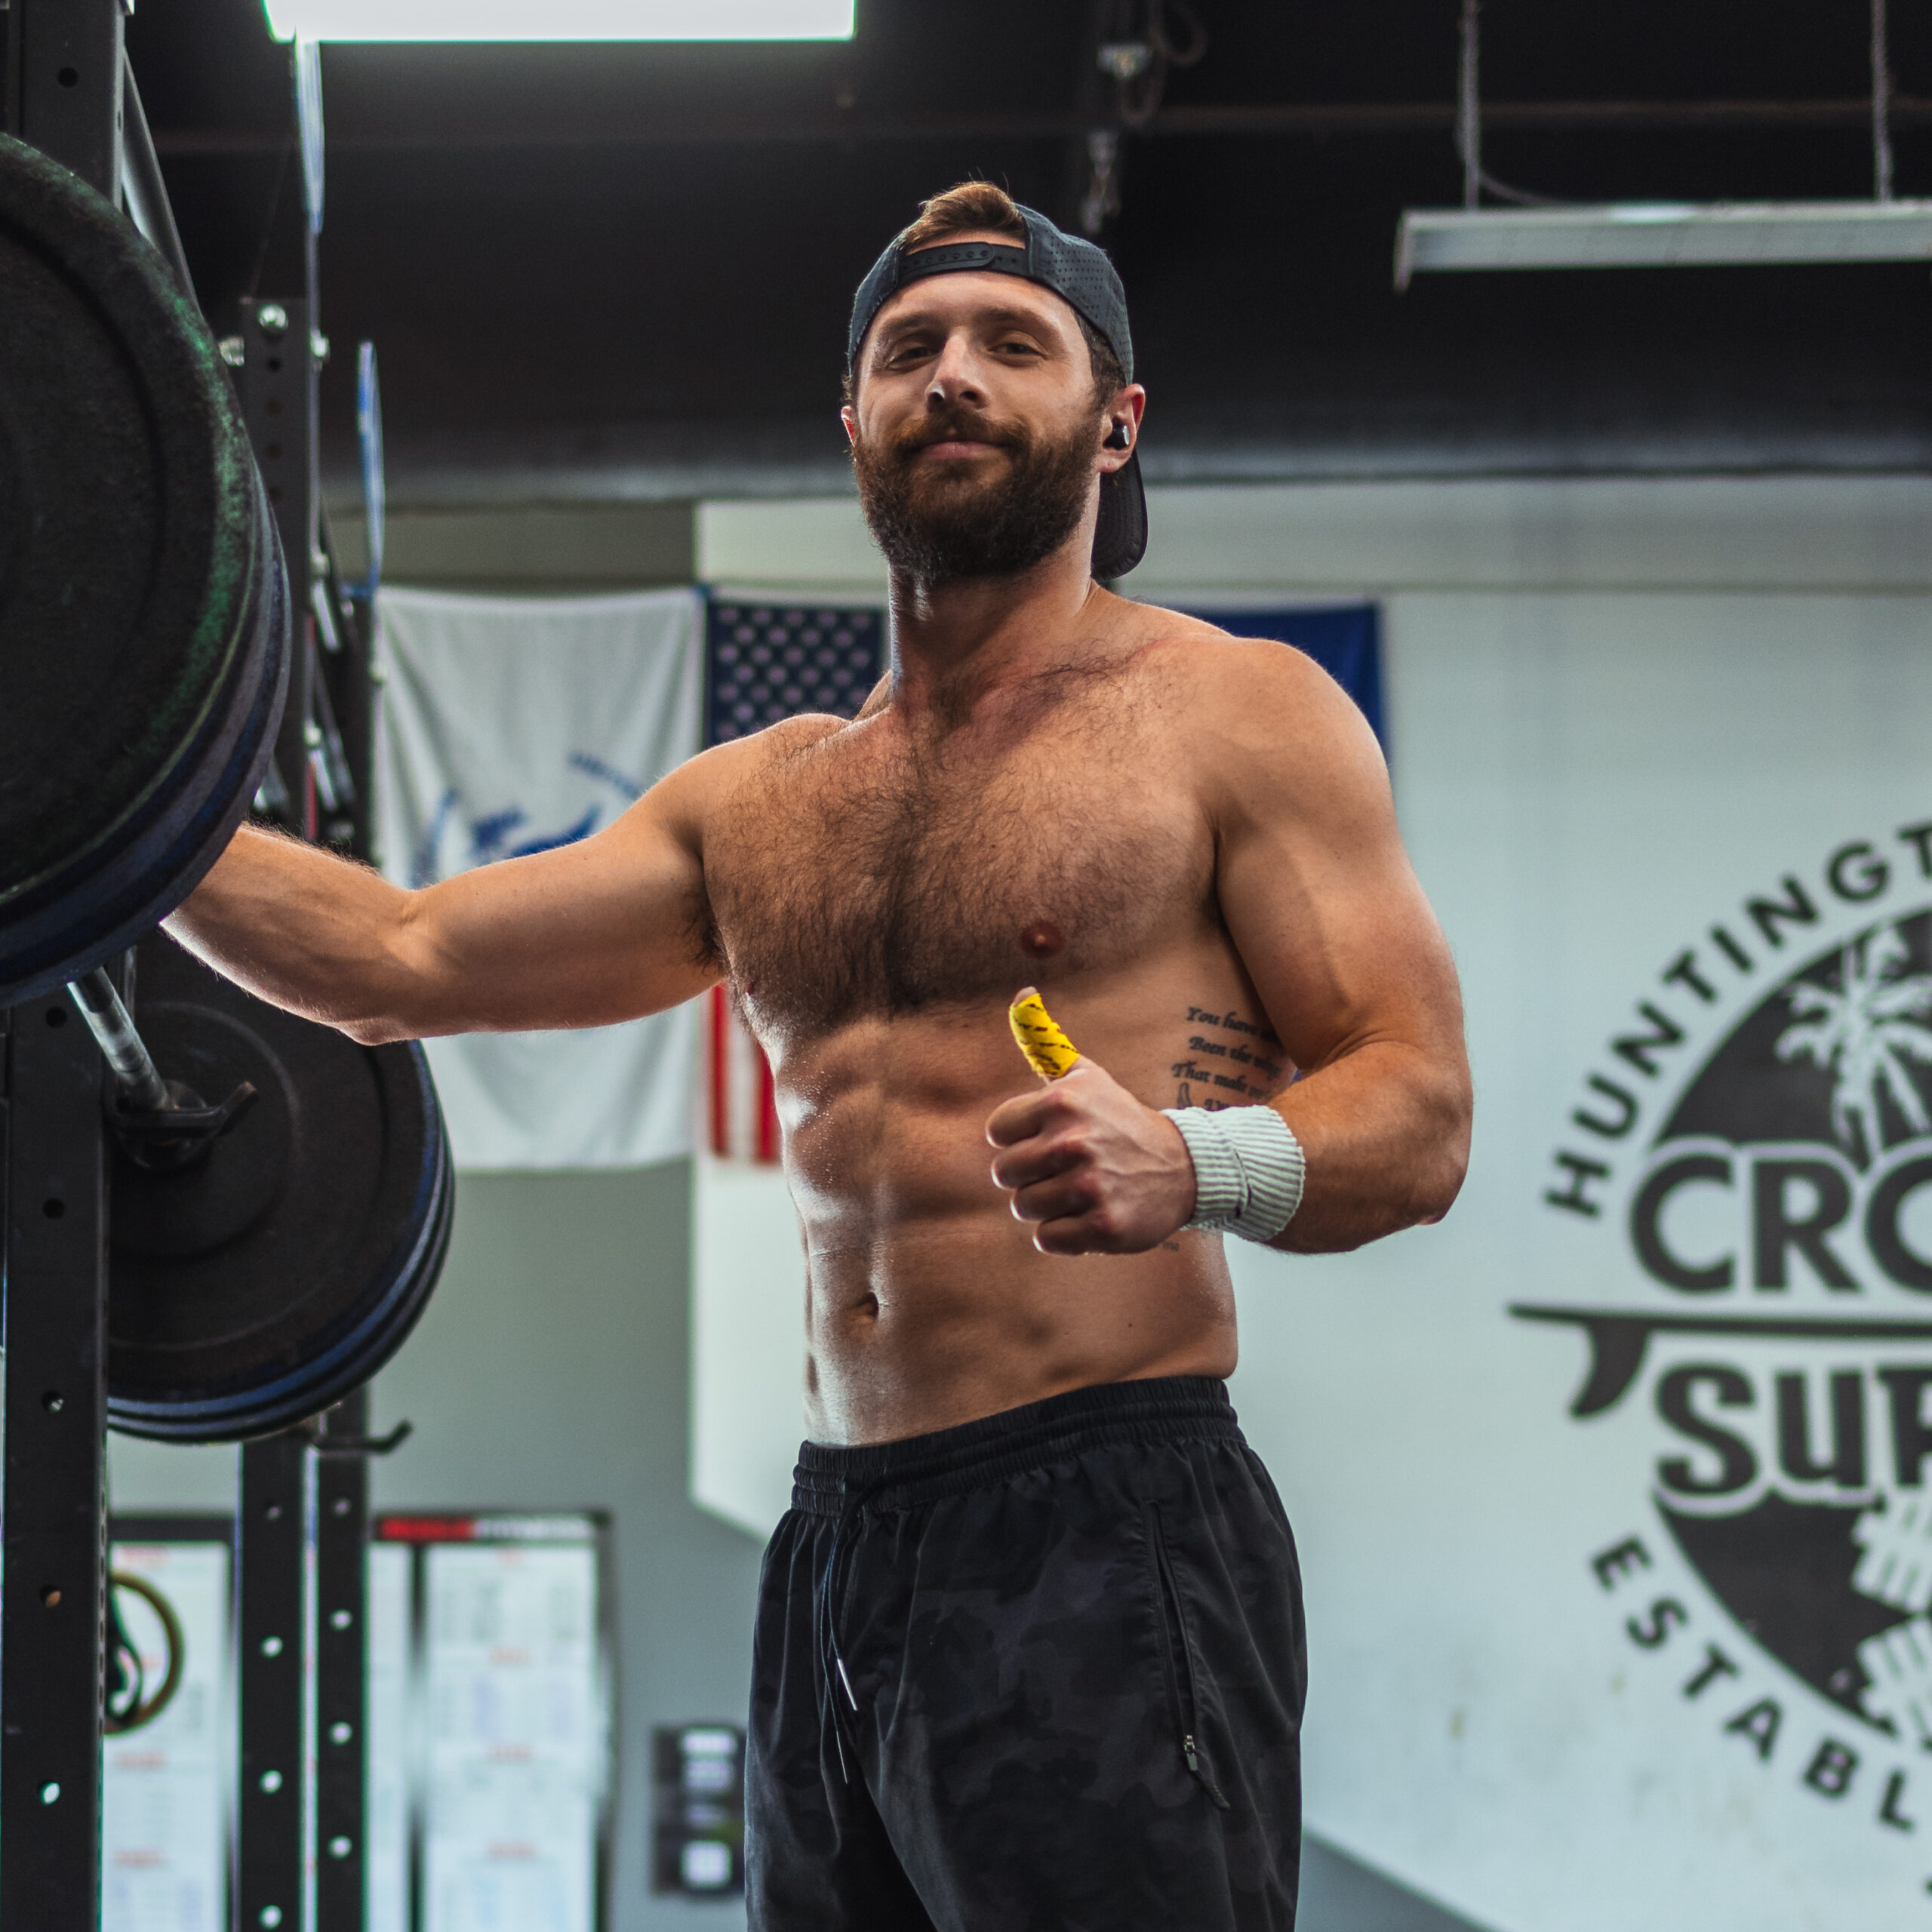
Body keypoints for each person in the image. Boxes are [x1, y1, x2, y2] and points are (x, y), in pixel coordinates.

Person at [168, 181, 1472, 1930]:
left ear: (1113, 423)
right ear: (848, 417)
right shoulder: (757, 802)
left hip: (1106, 1510)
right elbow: (395, 959)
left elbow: (1417, 1108)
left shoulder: (1231, 714)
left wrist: (1194, 1163)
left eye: (1013, 345)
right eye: (906, 348)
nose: (953, 376)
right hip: (841, 1536)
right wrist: (104, 795)